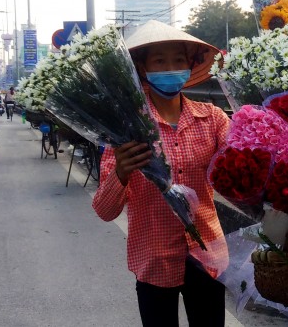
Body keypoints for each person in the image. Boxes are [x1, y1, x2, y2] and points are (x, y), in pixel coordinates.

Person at [91, 21, 230, 327]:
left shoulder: (213, 119)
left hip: (207, 253)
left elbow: (236, 179)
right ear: (142, 69)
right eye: (159, 61)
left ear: (190, 65)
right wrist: (122, 173)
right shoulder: (126, 129)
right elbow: (104, 209)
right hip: (154, 258)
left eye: (178, 60)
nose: (170, 68)